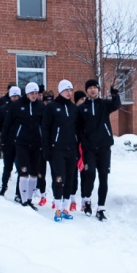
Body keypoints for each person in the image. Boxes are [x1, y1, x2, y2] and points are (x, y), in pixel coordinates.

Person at [76, 78, 121, 221]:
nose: (92, 90)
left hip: (104, 147)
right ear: (86, 90)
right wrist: (84, 142)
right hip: (89, 148)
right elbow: (79, 129)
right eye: (90, 88)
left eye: (95, 87)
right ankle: (87, 201)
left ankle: (101, 208)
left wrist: (115, 94)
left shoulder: (104, 104)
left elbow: (116, 105)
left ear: (98, 89)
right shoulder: (82, 108)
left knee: (103, 177)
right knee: (89, 175)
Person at [1, 81, 45, 210]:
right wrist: (3, 140)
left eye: (36, 93)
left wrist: (44, 140)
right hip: (21, 143)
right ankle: (24, 200)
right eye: (32, 93)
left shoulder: (41, 106)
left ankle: (30, 199)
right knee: (23, 171)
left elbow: (45, 125)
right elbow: (7, 123)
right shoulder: (17, 105)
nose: (34, 95)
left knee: (34, 173)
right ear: (27, 93)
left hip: (36, 143)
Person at [41, 79, 79, 222]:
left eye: (71, 90)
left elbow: (78, 129)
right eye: (67, 90)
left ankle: (65, 208)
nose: (69, 93)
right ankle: (57, 208)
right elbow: (45, 128)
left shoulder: (74, 108)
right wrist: (46, 148)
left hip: (72, 149)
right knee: (59, 178)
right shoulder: (52, 107)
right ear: (61, 91)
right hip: (57, 149)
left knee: (69, 178)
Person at [0, 85, 22, 199]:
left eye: (17, 96)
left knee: (21, 168)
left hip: (21, 142)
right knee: (7, 167)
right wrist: (0, 141)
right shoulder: (3, 109)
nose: (16, 98)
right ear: (10, 96)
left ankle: (19, 192)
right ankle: (4, 187)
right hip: (8, 142)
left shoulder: (23, 109)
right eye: (14, 96)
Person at [68, 90, 88, 211]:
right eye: (81, 99)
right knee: (73, 175)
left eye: (85, 99)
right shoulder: (73, 113)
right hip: (74, 147)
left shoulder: (87, 112)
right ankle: (72, 200)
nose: (84, 101)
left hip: (85, 147)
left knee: (85, 175)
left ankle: (84, 201)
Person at [36, 88, 56, 206]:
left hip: (53, 147)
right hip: (40, 146)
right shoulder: (40, 112)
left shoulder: (56, 112)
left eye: (50, 101)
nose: (48, 103)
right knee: (40, 173)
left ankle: (55, 198)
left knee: (55, 173)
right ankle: (43, 195)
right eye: (46, 101)